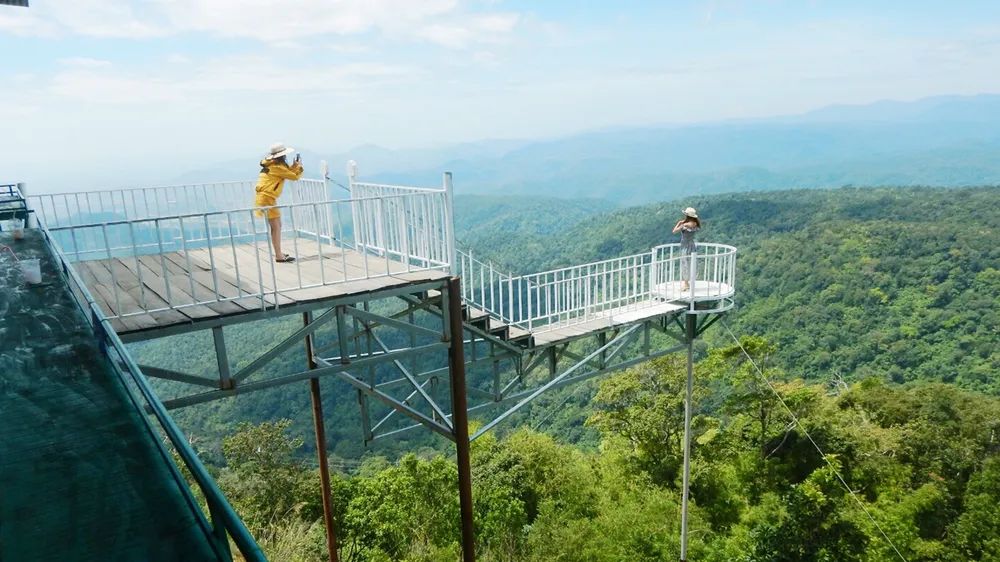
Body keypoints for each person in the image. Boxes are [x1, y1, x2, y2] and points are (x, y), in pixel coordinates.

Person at [254, 142, 303, 262]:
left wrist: (293, 167)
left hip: (264, 197)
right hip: (267, 198)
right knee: (276, 227)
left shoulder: (272, 165)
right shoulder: (277, 167)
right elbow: (294, 176)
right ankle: (278, 255)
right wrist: (299, 167)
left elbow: (285, 173)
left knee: (276, 226)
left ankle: (278, 253)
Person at [672, 207, 701, 292]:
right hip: (692, 245)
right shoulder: (695, 224)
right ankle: (690, 282)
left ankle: (686, 284)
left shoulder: (685, 225)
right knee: (691, 263)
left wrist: (679, 223)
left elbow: (674, 231)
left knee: (685, 263)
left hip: (685, 246)